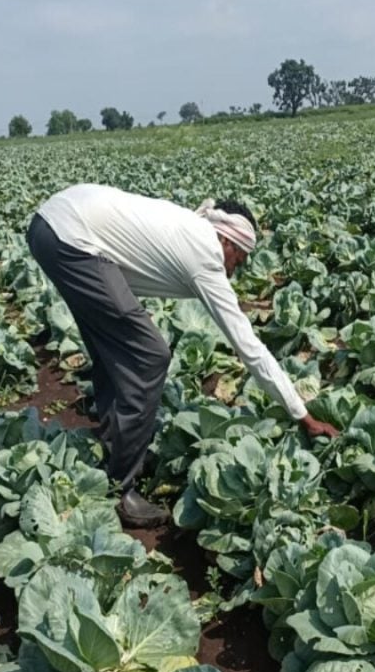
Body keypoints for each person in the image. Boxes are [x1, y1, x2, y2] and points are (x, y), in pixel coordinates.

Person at [26, 183, 340, 528]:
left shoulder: (190, 230)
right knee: (150, 356)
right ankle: (122, 490)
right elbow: (248, 346)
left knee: (112, 346)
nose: (236, 271)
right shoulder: (205, 253)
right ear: (228, 242)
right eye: (241, 260)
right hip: (71, 238)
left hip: (50, 227)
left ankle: (113, 443)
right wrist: (302, 415)